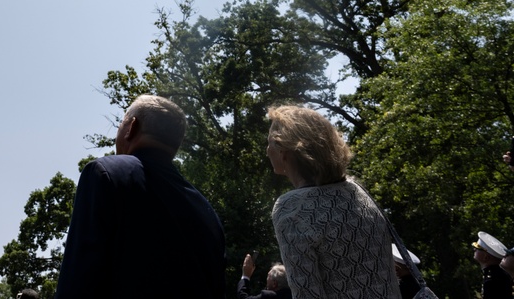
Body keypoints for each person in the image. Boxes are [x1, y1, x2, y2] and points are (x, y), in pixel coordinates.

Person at [54, 94, 225, 299]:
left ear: (131, 127)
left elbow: (77, 283)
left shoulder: (106, 174)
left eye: (120, 124)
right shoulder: (207, 212)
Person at [267, 105, 400, 299]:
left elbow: (307, 294)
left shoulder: (291, 207)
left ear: (283, 151)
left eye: (269, 142)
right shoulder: (358, 192)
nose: (267, 150)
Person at [473, 231, 512, 299]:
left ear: (486, 257)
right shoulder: (497, 274)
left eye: (478, 248)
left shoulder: (492, 280)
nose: (474, 249)